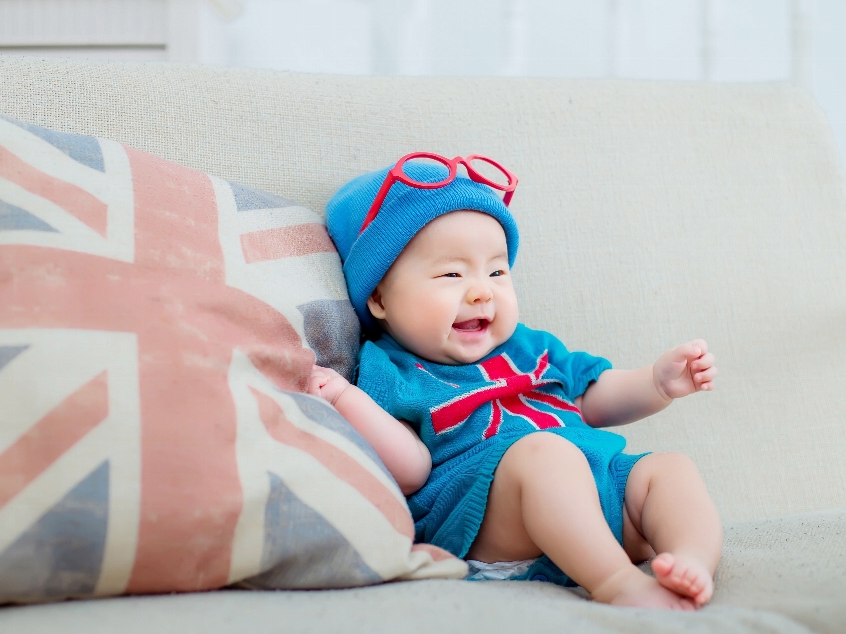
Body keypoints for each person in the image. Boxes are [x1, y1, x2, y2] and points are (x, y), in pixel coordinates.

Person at [307, 153, 722, 610]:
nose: (482, 290)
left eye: (497, 271)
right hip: (494, 519)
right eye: (452, 273)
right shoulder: (391, 369)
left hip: (604, 501)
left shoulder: (531, 347)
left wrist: (657, 384)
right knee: (543, 454)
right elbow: (411, 470)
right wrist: (345, 398)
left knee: (669, 469)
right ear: (381, 298)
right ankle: (617, 583)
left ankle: (691, 561)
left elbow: (593, 402)